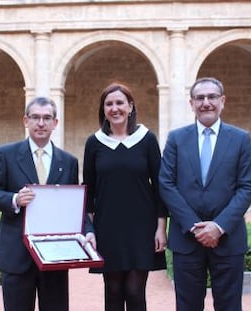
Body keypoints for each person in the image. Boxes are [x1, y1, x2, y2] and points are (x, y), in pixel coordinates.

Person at [159, 77, 251, 311]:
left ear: (222, 101)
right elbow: (166, 183)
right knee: (187, 306)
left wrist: (218, 226)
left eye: (212, 97)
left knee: (229, 306)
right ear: (191, 103)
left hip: (228, 239)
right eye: (199, 98)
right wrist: (194, 226)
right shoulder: (176, 139)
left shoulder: (240, 139)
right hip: (187, 240)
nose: (206, 103)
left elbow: (246, 186)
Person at [0, 97, 79, 311]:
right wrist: (14, 199)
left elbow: (74, 205)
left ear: (56, 123)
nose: (41, 123)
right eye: (35, 117)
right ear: (25, 121)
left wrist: (87, 232)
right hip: (17, 255)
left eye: (47, 118)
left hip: (55, 255)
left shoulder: (69, 161)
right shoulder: (6, 154)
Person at [83, 82, 168, 311]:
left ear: (130, 106)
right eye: (109, 104)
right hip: (107, 226)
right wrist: (89, 231)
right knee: (112, 290)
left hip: (141, 226)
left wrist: (161, 228)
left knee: (134, 291)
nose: (115, 108)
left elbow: (160, 186)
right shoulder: (94, 143)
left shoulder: (147, 139)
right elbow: (88, 191)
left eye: (120, 102)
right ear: (103, 110)